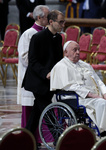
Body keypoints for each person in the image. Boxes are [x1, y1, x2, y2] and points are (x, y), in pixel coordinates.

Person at [50, 40, 106, 137]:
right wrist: (92, 95)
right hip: (77, 98)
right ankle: (105, 133)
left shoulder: (85, 65)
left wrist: (105, 94)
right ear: (66, 52)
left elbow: (98, 81)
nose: (78, 52)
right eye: (74, 50)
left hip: (93, 97)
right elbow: (70, 86)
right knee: (102, 103)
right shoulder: (61, 66)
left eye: (79, 50)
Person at [22, 10, 64, 144]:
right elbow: (32, 61)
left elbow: (58, 59)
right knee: (48, 108)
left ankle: (26, 138)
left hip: (50, 81)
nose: (63, 25)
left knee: (36, 112)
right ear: (51, 22)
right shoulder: (37, 37)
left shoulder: (58, 38)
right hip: (37, 80)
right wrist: (46, 72)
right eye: (61, 22)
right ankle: (59, 138)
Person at [17, 5, 50, 144]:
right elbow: (25, 57)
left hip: (44, 78)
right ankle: (30, 139)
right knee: (31, 109)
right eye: (48, 17)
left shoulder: (48, 33)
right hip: (32, 78)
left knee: (44, 108)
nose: (50, 19)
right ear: (39, 17)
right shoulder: (28, 34)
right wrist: (43, 67)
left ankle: (45, 138)